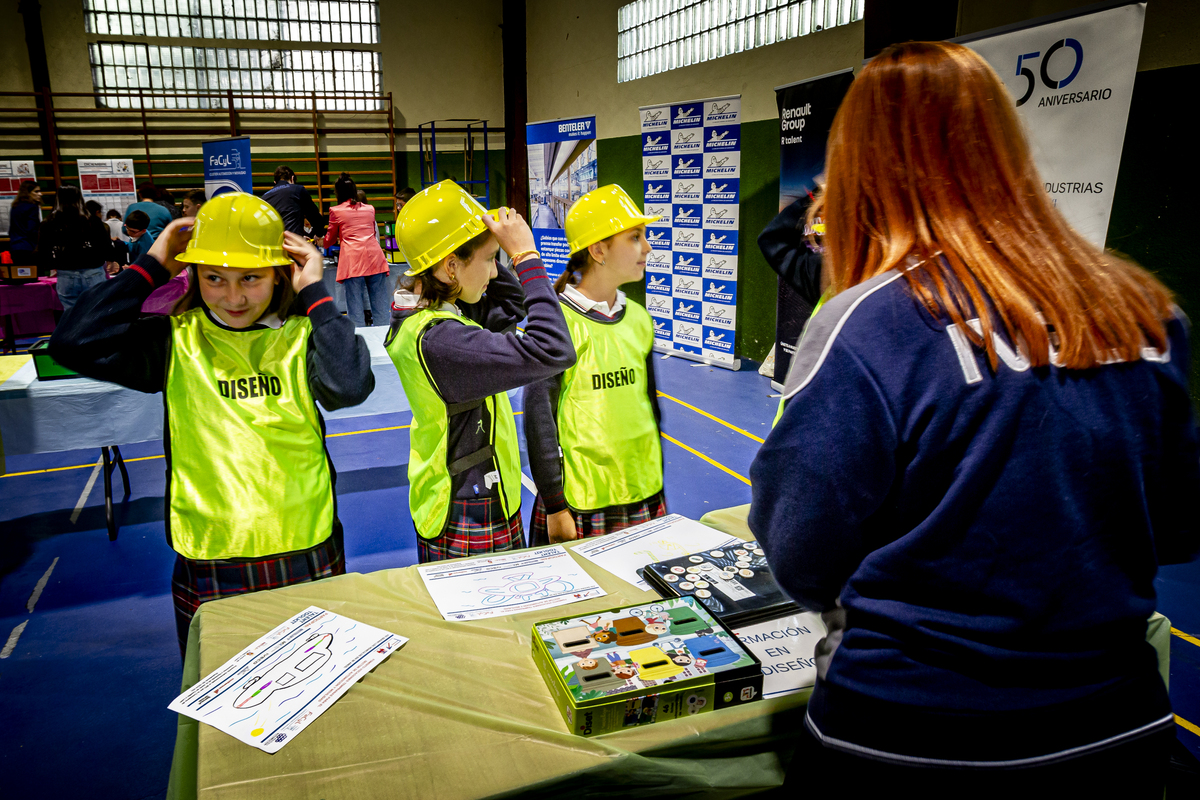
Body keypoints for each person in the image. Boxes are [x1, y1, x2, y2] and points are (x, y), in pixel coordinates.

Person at [748, 41, 1197, 797]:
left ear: (862, 169)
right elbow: (1180, 525)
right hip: (1116, 731)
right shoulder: (1146, 309)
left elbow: (799, 555)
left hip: (909, 742)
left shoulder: (872, 323)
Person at [48, 192, 374, 653]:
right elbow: (73, 342)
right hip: (211, 549)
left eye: (251, 278)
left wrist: (315, 293)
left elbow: (350, 385)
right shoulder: (173, 342)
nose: (233, 296)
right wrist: (153, 265)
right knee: (224, 684)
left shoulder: (301, 336)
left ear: (280, 273)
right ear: (193, 274)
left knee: (316, 680)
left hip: (304, 540)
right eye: (214, 278)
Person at [384, 179, 575, 562]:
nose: (493, 273)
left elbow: (512, 303)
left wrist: (485, 240)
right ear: (450, 267)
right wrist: (525, 256)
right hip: (465, 510)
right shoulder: (442, 341)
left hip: (480, 495)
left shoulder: (438, 313)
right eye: (490, 260)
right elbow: (553, 347)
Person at [523, 185, 666, 545]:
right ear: (599, 250)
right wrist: (555, 506)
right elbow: (540, 423)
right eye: (635, 237)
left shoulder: (638, 318)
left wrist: (656, 480)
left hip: (643, 492)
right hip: (582, 503)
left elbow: (651, 411)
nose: (647, 248)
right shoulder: (557, 326)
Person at [36, 185, 117, 313]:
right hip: (93, 271)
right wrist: (111, 260)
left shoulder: (49, 222)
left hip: (66, 273)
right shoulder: (92, 220)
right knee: (98, 312)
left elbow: (43, 250)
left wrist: (51, 265)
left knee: (71, 315)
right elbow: (105, 244)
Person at [324, 173, 390, 327]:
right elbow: (372, 234)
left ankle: (359, 345)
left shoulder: (336, 211)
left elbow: (330, 240)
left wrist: (323, 240)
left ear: (338, 193)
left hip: (353, 262)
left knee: (355, 310)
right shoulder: (369, 209)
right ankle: (385, 343)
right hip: (375, 258)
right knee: (380, 307)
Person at [263, 165, 325, 237]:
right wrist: (318, 234)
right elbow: (315, 217)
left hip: (273, 243)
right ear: (292, 178)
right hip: (293, 242)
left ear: (275, 182)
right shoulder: (298, 190)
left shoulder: (265, 197)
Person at [7, 180, 42, 263]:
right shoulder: (32, 207)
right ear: (28, 193)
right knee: (35, 274)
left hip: (15, 246)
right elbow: (32, 229)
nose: (40, 194)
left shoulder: (15, 206)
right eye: (36, 191)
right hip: (29, 247)